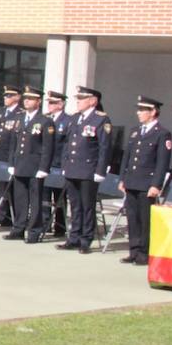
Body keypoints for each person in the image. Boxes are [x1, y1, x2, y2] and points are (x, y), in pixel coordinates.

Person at [57, 86, 113, 255]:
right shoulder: (75, 118)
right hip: (73, 168)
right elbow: (67, 144)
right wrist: (65, 164)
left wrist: (100, 170)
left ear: (92, 101)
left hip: (89, 169)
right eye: (78, 99)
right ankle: (73, 237)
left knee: (87, 206)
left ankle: (85, 239)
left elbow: (105, 148)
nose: (78, 102)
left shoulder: (101, 120)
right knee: (74, 205)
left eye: (81, 99)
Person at [120, 96, 172, 266]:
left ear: (153, 112)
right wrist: (123, 178)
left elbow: (162, 163)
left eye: (143, 110)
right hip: (132, 181)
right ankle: (133, 250)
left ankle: (144, 252)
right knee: (132, 217)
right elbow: (126, 157)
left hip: (147, 183)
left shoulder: (162, 133)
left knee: (145, 219)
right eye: (139, 110)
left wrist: (156, 185)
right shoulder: (135, 131)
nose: (139, 113)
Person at [7, 86, 56, 244]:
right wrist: (11, 162)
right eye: (26, 98)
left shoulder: (45, 121)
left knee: (35, 201)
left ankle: (34, 231)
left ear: (38, 102)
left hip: (35, 167)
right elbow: (13, 143)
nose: (27, 101)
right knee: (20, 198)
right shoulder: (20, 119)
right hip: (20, 164)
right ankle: (18, 228)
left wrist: (44, 168)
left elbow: (48, 147)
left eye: (31, 99)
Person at [0, 85, 22, 227]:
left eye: (9, 96)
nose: (5, 98)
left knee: (12, 188)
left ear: (17, 97)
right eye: (5, 95)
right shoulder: (0, 112)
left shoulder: (20, 114)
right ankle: (1, 213)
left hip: (11, 155)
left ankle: (12, 215)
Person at [42, 90, 72, 237]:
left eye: (53, 102)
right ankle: (44, 224)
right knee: (44, 196)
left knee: (60, 197)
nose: (49, 105)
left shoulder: (68, 121)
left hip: (59, 165)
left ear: (61, 104)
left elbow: (67, 145)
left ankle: (60, 227)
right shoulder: (45, 119)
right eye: (49, 102)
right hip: (45, 164)